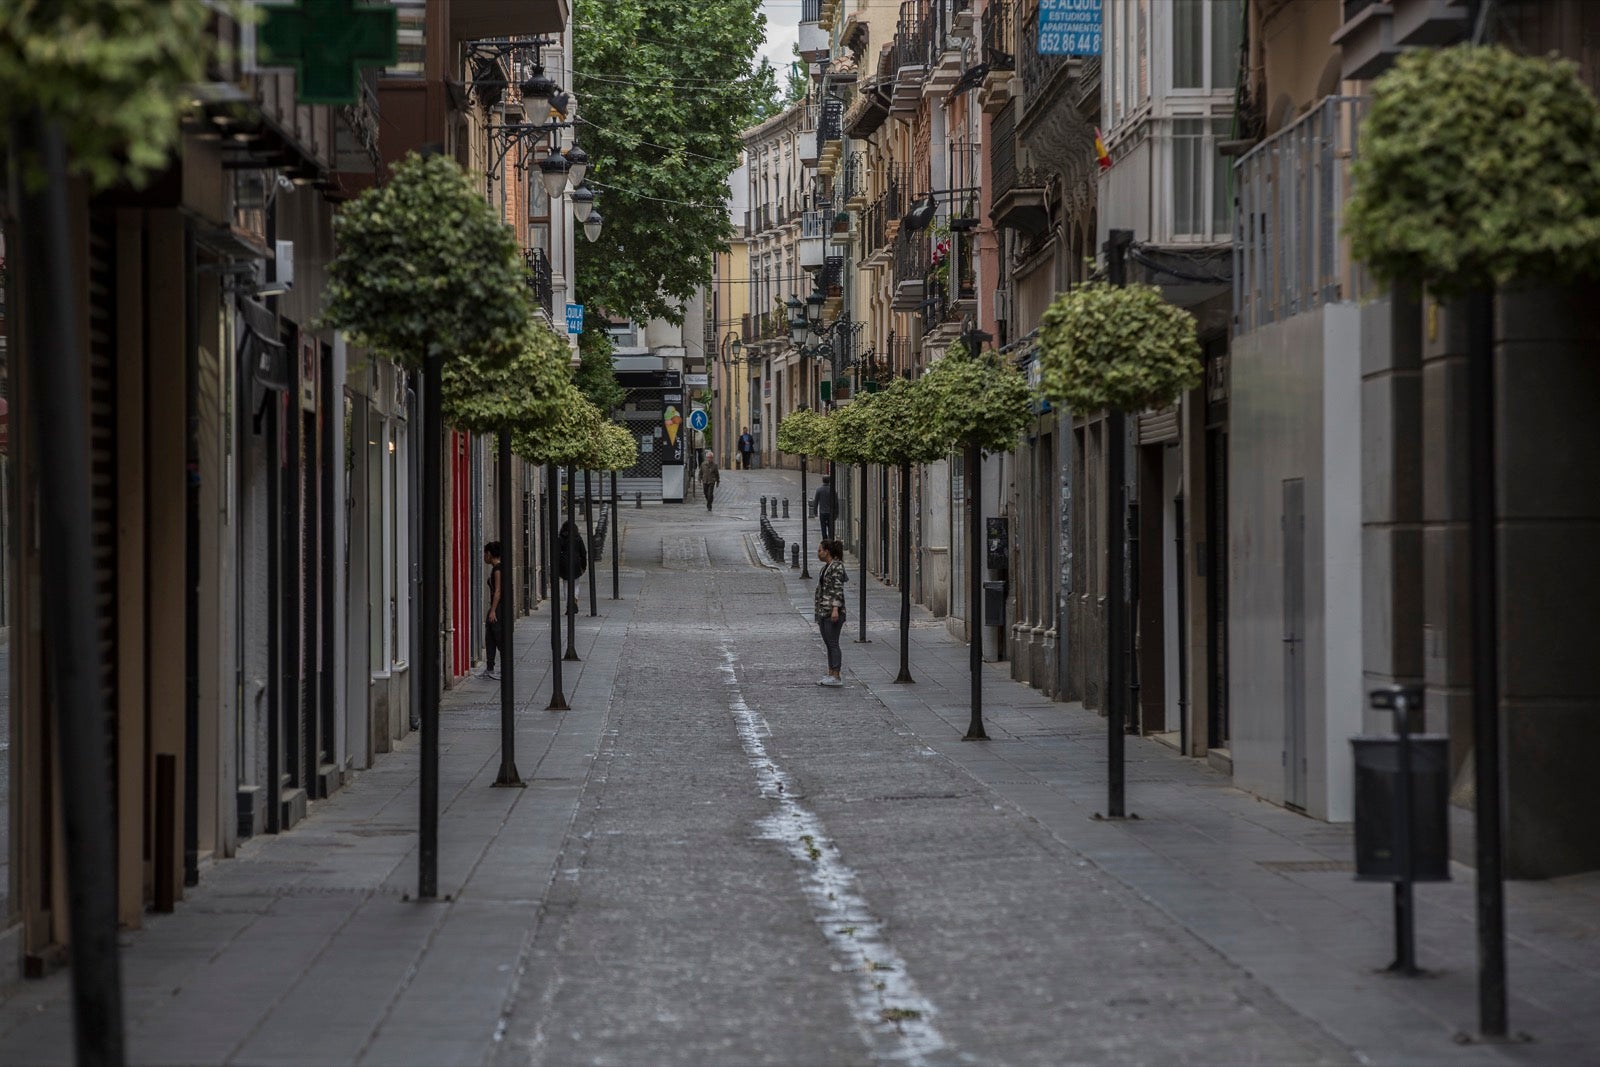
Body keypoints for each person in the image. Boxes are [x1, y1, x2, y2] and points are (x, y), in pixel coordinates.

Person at [814, 539, 847, 687]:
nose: (818, 553)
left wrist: (835, 609)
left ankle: (836, 674)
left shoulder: (837, 567)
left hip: (832, 612)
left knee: (833, 643)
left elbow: (838, 589)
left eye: (820, 550)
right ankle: (830, 672)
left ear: (827, 551)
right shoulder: (825, 568)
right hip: (823, 611)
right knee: (828, 643)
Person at [483, 541, 504, 681]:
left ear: (489, 554)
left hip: (499, 609)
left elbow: (498, 591)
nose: (484, 557)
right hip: (495, 608)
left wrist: (493, 610)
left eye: (485, 553)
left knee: (499, 639)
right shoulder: (496, 568)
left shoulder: (498, 569)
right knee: (490, 637)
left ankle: (505, 668)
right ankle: (489, 668)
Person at [814, 475, 838, 540]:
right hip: (830, 512)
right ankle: (830, 539)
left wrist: (815, 511)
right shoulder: (832, 490)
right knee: (831, 527)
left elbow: (816, 501)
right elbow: (836, 502)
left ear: (822, 481)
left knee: (823, 527)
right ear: (829, 481)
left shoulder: (819, 490)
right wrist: (836, 513)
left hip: (822, 512)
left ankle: (825, 539)